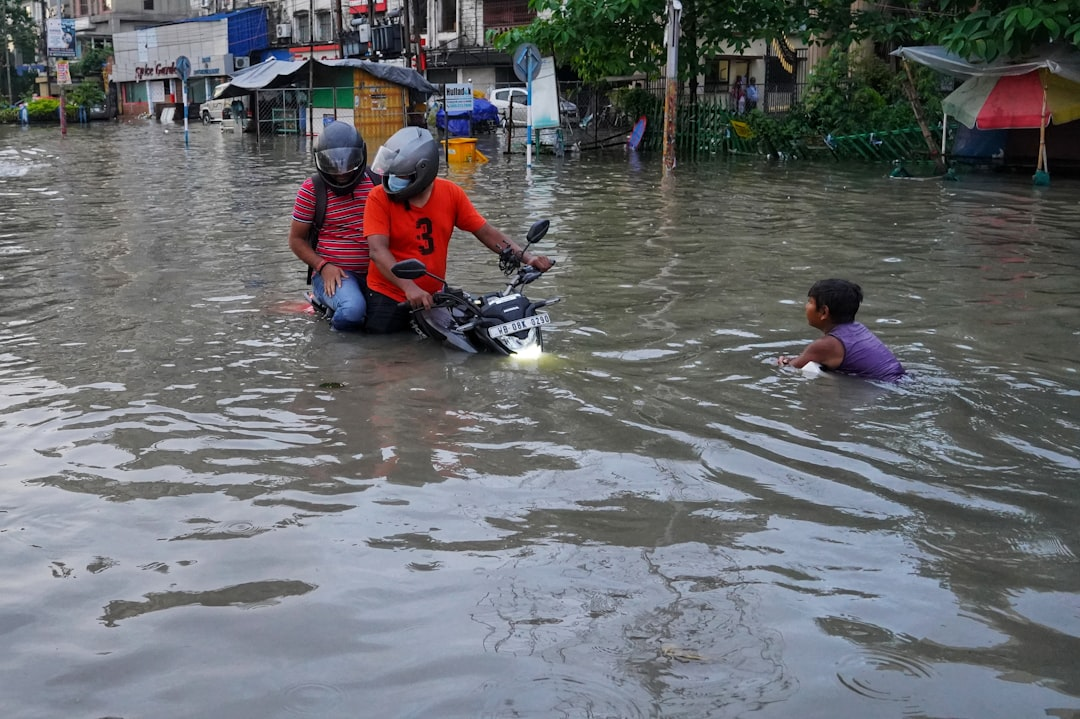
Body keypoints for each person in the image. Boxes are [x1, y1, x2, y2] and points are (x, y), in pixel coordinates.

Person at [363, 126, 554, 334]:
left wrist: (527, 258)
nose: (392, 182)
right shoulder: (378, 197)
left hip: (433, 296)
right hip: (388, 295)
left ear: (423, 171)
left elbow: (486, 232)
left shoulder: (451, 193)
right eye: (392, 175)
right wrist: (409, 287)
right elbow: (377, 251)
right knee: (382, 353)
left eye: (401, 177)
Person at [287, 121, 378, 331]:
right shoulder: (312, 190)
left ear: (361, 156)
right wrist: (323, 267)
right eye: (333, 165)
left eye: (348, 163)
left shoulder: (377, 182)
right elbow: (296, 240)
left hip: (378, 272)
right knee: (353, 311)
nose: (341, 172)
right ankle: (334, 346)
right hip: (334, 274)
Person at [778, 279, 905, 382]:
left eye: (809, 302)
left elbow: (791, 367)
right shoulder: (858, 328)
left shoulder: (825, 345)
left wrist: (782, 361)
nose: (806, 306)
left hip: (888, 387)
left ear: (824, 312)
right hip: (901, 379)